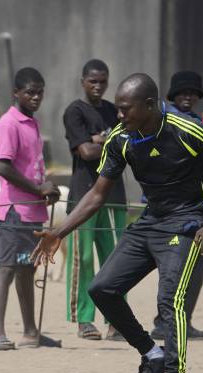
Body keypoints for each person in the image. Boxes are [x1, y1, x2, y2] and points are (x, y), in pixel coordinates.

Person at [32, 73, 203, 373]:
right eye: (117, 109)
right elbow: (97, 195)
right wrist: (59, 232)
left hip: (189, 222)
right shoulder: (121, 138)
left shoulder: (186, 129)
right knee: (102, 288)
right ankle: (151, 354)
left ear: (148, 106)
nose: (118, 116)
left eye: (124, 109)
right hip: (151, 220)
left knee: (169, 298)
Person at [0, 67, 61, 350]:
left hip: (32, 210)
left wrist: (46, 187)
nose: (36, 97)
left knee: (27, 269)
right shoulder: (8, 123)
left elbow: (31, 168)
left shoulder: (32, 122)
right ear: (16, 93)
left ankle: (31, 332)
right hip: (13, 210)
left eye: (40, 92)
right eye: (30, 92)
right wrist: (38, 189)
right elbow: (3, 167)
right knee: (6, 268)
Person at [148, 70, 203, 340]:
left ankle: (184, 321)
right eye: (183, 92)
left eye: (193, 92)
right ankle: (163, 322)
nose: (188, 96)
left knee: (198, 266)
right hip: (174, 208)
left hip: (202, 207)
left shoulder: (196, 122)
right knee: (175, 267)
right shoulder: (164, 118)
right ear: (173, 95)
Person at [61, 59, 127, 341]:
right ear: (83, 81)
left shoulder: (114, 111)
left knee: (118, 260)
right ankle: (84, 320)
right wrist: (108, 141)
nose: (98, 86)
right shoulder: (74, 111)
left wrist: (99, 140)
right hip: (84, 196)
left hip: (114, 196)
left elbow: (126, 145)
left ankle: (116, 320)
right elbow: (85, 153)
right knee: (83, 259)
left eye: (103, 81)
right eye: (93, 81)